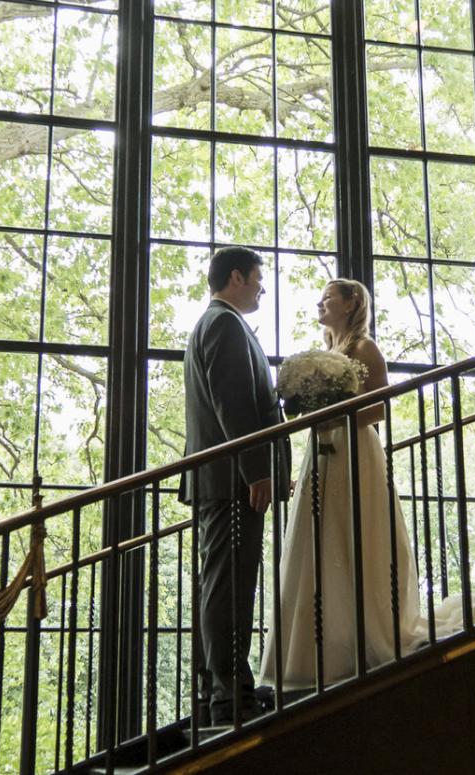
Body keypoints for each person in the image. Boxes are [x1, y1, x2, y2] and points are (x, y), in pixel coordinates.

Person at [259, 279, 475, 689]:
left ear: (352, 303)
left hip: (355, 454)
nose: (321, 302)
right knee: (319, 542)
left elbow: (379, 408)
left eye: (329, 297)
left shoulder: (364, 348)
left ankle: (370, 635)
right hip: (321, 453)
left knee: (358, 536)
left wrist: (337, 417)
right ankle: (320, 650)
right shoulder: (325, 354)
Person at [180, 246, 290, 725]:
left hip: (223, 480)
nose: (263, 289)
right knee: (229, 585)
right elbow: (233, 405)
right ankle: (227, 692)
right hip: (231, 482)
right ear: (237, 277)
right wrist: (256, 470)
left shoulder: (217, 323)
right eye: (258, 280)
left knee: (223, 582)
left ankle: (220, 685)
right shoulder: (223, 324)